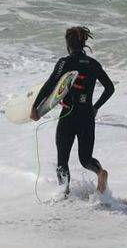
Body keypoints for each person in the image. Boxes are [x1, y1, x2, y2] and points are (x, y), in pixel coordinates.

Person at [31, 26, 114, 194]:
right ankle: (99, 172)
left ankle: (64, 193)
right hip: (87, 117)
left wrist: (35, 107)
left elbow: (50, 84)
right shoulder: (93, 64)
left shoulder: (65, 62)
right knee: (85, 159)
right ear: (83, 44)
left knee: (63, 160)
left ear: (68, 45)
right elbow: (110, 88)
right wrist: (95, 107)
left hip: (68, 115)